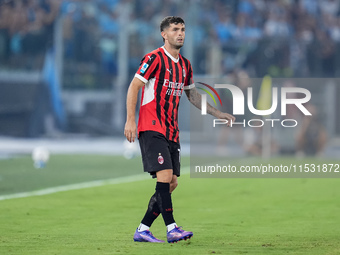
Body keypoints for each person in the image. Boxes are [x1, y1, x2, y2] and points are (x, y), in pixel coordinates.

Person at [124, 16, 235, 244]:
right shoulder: (153, 58)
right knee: (165, 176)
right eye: (175, 29)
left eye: (183, 29)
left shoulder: (185, 65)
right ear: (164, 34)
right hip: (151, 126)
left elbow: (192, 95)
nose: (180, 33)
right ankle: (172, 228)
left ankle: (143, 229)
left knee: (172, 182)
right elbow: (134, 86)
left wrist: (218, 113)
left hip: (172, 131)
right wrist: (130, 120)